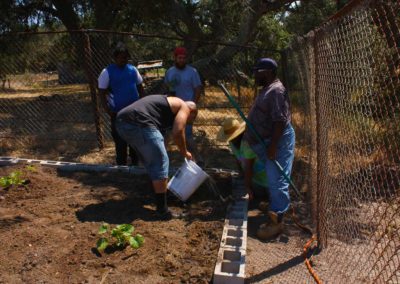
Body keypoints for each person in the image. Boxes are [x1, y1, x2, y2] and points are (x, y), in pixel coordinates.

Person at [115, 94, 197, 220]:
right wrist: (185, 152)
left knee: (152, 162)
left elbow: (163, 137)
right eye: (190, 119)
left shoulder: (166, 107)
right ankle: (162, 211)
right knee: (160, 162)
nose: (188, 122)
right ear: (191, 111)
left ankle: (159, 195)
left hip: (122, 122)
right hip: (138, 122)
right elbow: (178, 132)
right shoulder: (184, 106)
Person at [244, 58, 295, 240]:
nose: (255, 75)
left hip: (277, 141)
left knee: (277, 179)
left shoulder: (275, 91)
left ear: (268, 72)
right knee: (273, 176)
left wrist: (273, 146)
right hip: (266, 141)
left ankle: (277, 221)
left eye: (257, 71)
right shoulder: (268, 89)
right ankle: (275, 205)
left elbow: (279, 121)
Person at [98, 43, 145, 166]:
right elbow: (102, 92)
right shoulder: (107, 72)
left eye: (125, 57)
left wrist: (143, 104)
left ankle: (135, 165)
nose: (123, 60)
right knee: (120, 142)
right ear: (115, 58)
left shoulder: (133, 70)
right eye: (121, 57)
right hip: (117, 113)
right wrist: (107, 110)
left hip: (134, 112)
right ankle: (121, 166)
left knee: (135, 140)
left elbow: (140, 87)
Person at [164, 47, 203, 164]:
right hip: (173, 108)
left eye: (184, 58)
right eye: (179, 58)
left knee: (188, 136)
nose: (182, 60)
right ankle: (163, 160)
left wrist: (193, 105)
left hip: (187, 109)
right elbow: (168, 88)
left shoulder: (192, 72)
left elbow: (198, 89)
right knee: (167, 135)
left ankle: (197, 159)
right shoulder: (170, 72)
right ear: (175, 58)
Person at [217, 117, 269, 202]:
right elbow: (238, 159)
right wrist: (242, 175)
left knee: (264, 198)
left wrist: (247, 187)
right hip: (255, 178)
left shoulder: (248, 143)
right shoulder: (232, 143)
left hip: (266, 178)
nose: (232, 139)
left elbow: (249, 167)